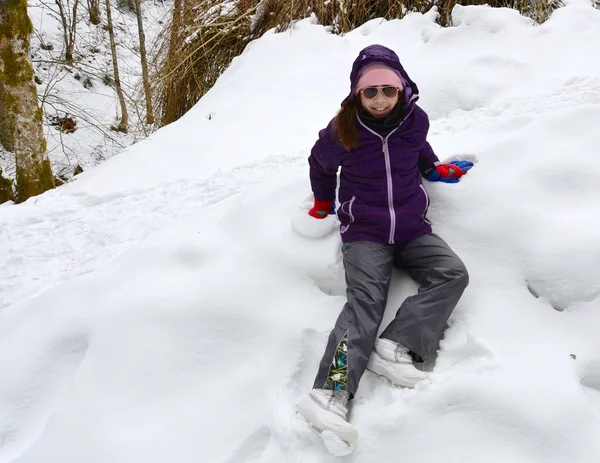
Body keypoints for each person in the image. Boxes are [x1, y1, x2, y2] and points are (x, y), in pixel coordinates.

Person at [297, 44, 472, 446]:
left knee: (452, 273)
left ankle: (396, 345)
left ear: (403, 90)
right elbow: (318, 163)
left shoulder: (415, 120)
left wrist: (433, 169)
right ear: (357, 93)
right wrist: (324, 200)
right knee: (364, 307)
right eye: (370, 91)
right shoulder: (343, 130)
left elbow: (418, 149)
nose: (379, 99)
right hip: (365, 233)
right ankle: (330, 392)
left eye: (388, 90)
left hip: (411, 227)